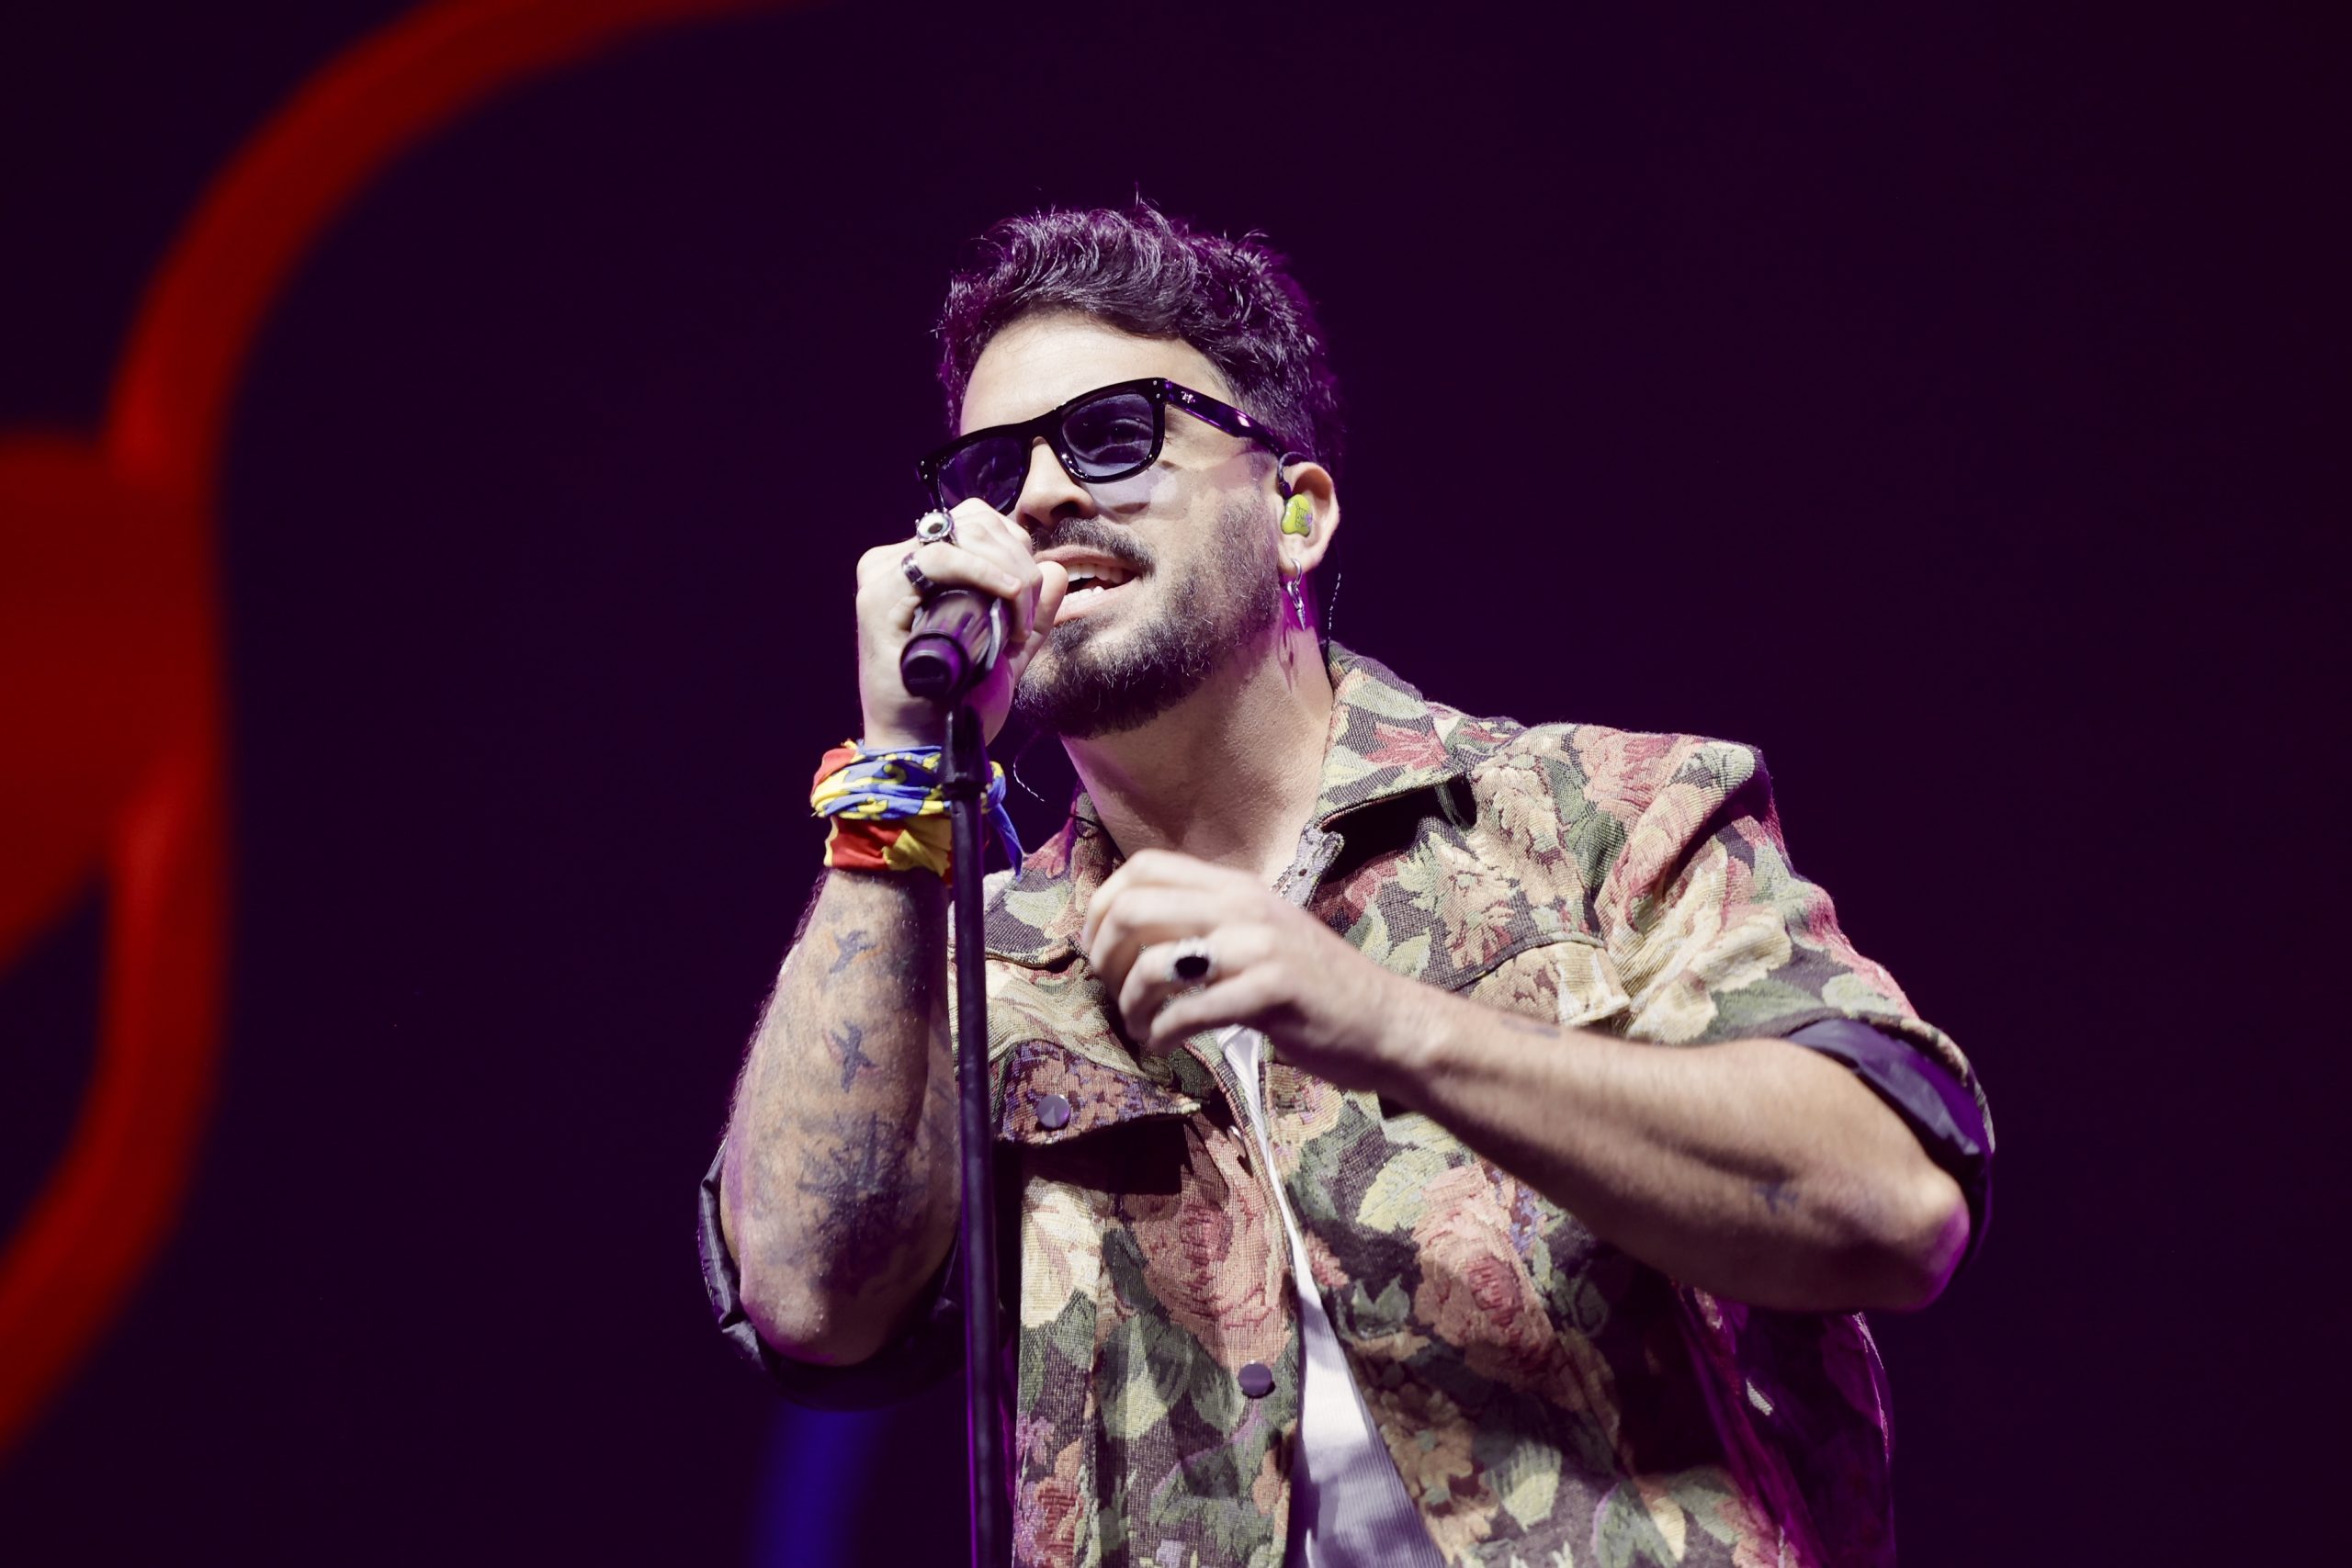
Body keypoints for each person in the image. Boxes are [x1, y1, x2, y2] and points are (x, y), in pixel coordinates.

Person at [698, 203, 1992, 1568]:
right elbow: (811, 1300)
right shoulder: (986, 971)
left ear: (1296, 514)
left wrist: (1377, 1019)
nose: (1034, 501)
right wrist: (899, 775)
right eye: (989, 469)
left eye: (1113, 435)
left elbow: (1892, 1207)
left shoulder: (1598, 815)